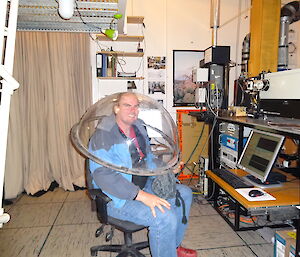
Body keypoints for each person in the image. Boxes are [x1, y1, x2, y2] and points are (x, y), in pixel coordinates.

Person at [89, 92, 197, 257]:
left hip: (143, 184)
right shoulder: (104, 135)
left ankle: (172, 247)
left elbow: (148, 159)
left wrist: (167, 169)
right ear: (116, 108)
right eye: (127, 105)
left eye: (136, 105)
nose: (133, 110)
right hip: (116, 197)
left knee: (184, 194)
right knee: (164, 217)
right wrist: (141, 196)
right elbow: (103, 175)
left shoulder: (138, 127)